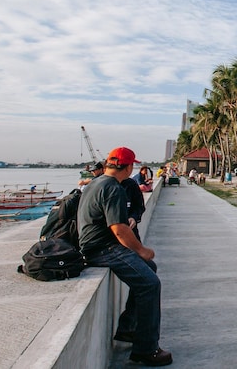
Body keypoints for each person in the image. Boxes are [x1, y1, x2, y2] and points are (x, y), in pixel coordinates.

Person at [78, 147, 172, 366]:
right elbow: (119, 229)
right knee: (151, 284)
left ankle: (128, 328)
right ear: (129, 167)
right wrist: (141, 250)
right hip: (102, 248)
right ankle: (147, 349)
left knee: (150, 270)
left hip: (95, 245)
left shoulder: (97, 182)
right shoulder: (113, 188)